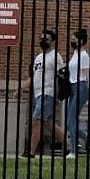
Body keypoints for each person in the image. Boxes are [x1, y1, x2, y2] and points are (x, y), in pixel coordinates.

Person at [29, 28, 64, 156]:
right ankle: (69, 146)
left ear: (52, 41)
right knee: (49, 125)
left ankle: (31, 152)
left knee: (36, 121)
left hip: (47, 93)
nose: (43, 41)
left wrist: (59, 96)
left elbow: (61, 77)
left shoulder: (55, 56)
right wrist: (21, 89)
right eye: (42, 38)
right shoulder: (39, 57)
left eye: (46, 39)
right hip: (37, 94)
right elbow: (34, 76)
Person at [65, 27, 90, 157]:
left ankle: (74, 151)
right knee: (70, 121)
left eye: (74, 40)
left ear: (80, 41)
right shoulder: (74, 53)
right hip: (73, 88)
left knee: (71, 120)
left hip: (81, 87)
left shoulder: (84, 56)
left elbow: (86, 76)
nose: (72, 41)